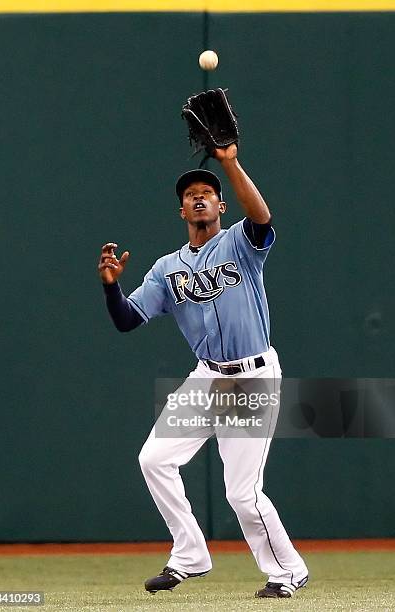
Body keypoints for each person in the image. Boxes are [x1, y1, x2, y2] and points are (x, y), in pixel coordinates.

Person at [98, 144, 308, 599]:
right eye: (191, 194)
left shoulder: (240, 243)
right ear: (181, 210)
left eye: (206, 193)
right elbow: (127, 320)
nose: (198, 198)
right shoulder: (165, 269)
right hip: (208, 377)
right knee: (154, 459)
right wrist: (111, 288)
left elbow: (263, 217)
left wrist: (228, 162)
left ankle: (287, 571)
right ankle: (190, 553)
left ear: (220, 205)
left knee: (242, 493)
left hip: (252, 375)